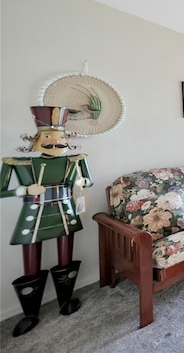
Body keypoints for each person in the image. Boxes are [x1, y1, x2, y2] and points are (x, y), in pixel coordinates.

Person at [1, 106, 93, 337]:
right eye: (49, 137)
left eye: (61, 137)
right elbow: (2, 191)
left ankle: (66, 300)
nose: (56, 142)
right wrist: (24, 189)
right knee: (31, 262)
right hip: (34, 215)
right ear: (35, 140)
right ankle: (30, 313)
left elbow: (87, 181)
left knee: (66, 257)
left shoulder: (75, 161)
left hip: (65, 211)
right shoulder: (18, 163)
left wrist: (80, 183)